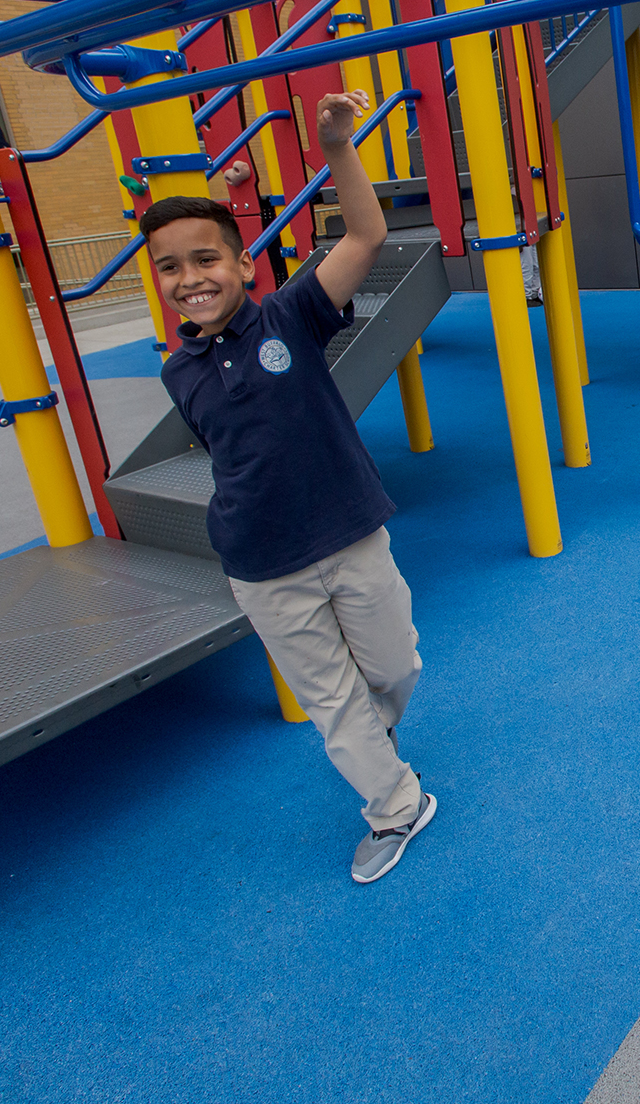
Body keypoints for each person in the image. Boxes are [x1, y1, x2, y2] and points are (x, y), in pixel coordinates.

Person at [143, 89, 435, 885]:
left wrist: (337, 146)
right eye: (170, 267)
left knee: (394, 667)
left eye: (206, 259)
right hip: (262, 563)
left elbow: (369, 234)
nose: (190, 278)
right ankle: (395, 803)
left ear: (243, 263)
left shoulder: (292, 317)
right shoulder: (178, 369)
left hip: (349, 531)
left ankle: (377, 750)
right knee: (332, 702)